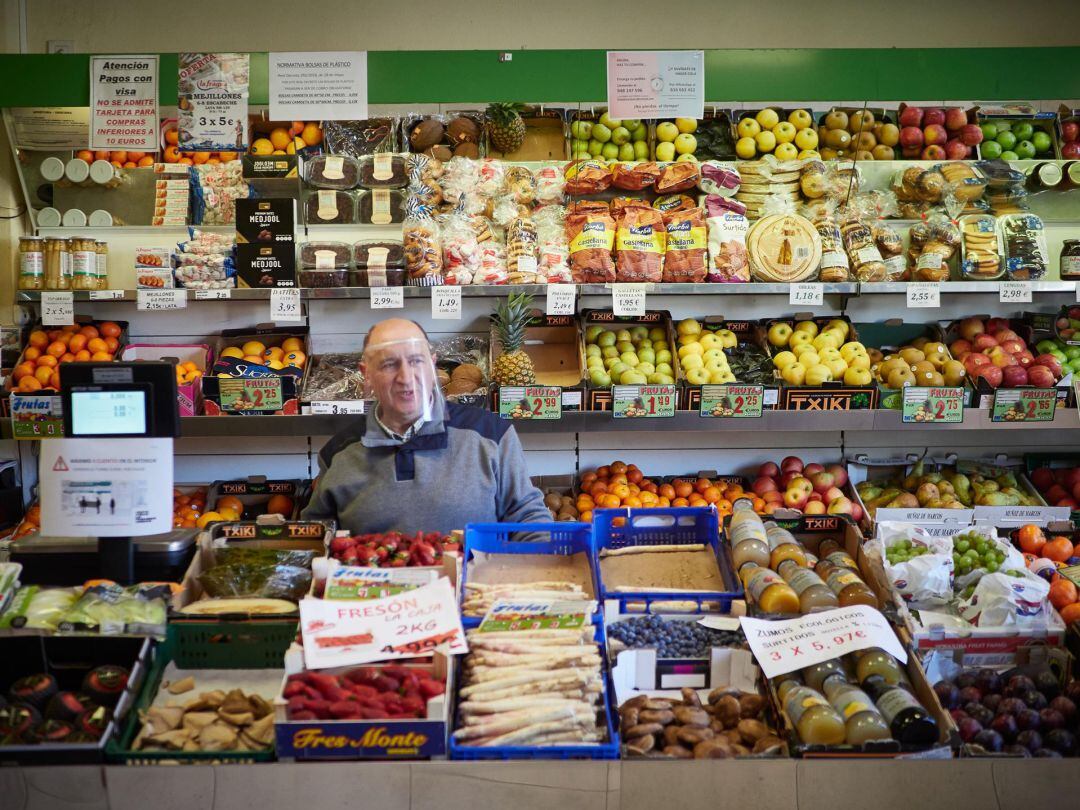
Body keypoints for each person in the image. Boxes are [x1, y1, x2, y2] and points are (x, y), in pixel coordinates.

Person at [302, 318, 551, 534]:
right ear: (366, 374)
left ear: (433, 365)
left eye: (416, 361)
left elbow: (528, 517)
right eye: (389, 364)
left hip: (472, 585)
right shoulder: (338, 454)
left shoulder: (492, 436)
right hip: (378, 588)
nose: (406, 378)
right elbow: (316, 537)